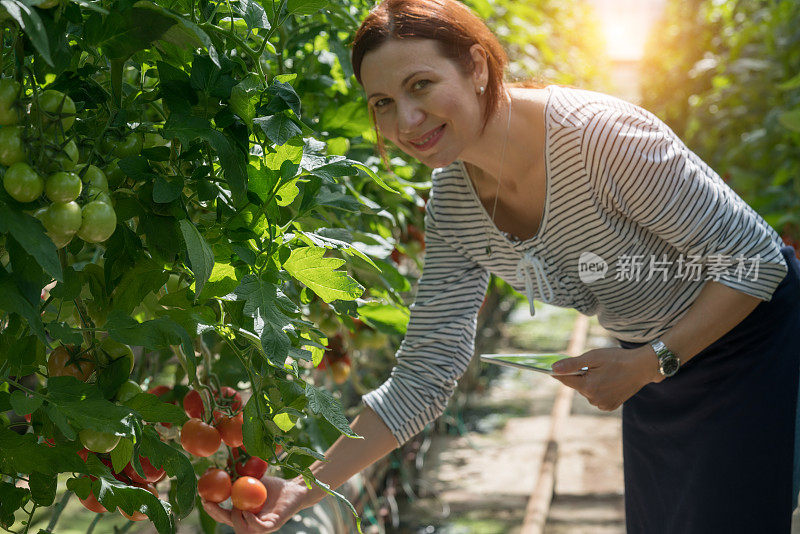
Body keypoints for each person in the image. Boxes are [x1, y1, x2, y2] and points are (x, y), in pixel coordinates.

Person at [202, 0, 800, 532]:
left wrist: (651, 361)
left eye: (422, 85)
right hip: (653, 366)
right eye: (383, 102)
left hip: (749, 338)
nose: (405, 120)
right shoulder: (456, 206)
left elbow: (755, 262)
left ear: (478, 67)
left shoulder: (602, 141)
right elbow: (426, 372)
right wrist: (305, 487)